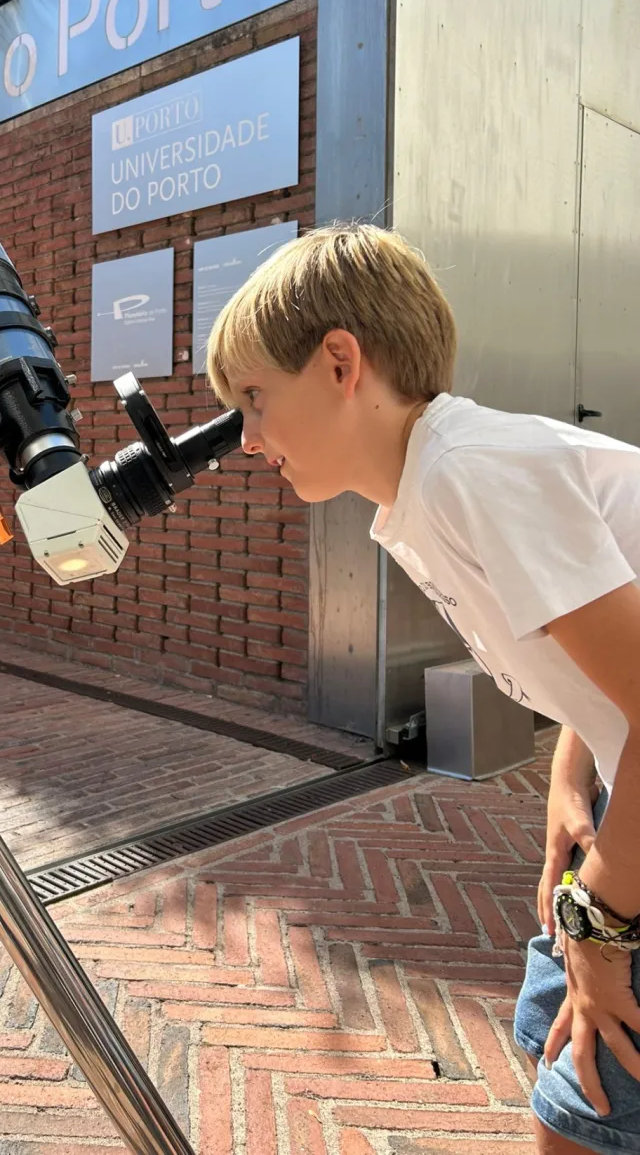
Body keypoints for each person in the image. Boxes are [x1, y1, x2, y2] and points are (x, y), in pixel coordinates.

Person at [205, 223, 640, 1155]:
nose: (247, 439)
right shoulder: (440, 478)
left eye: (254, 398)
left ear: (340, 363)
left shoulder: (473, 474)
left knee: (584, 1109)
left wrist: (601, 924)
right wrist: (570, 786)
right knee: (553, 1039)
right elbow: (606, 662)